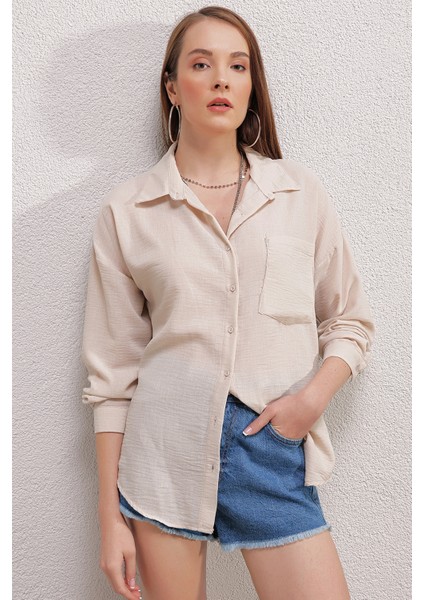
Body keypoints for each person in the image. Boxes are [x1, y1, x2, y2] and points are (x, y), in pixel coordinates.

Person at [81, 6, 374, 600]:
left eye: (238, 66)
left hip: (270, 449)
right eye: (201, 64)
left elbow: (350, 320)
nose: (221, 79)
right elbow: (112, 377)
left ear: (250, 85)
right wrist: (110, 519)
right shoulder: (129, 211)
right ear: (172, 87)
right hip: (162, 459)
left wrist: (310, 402)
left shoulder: (298, 194)